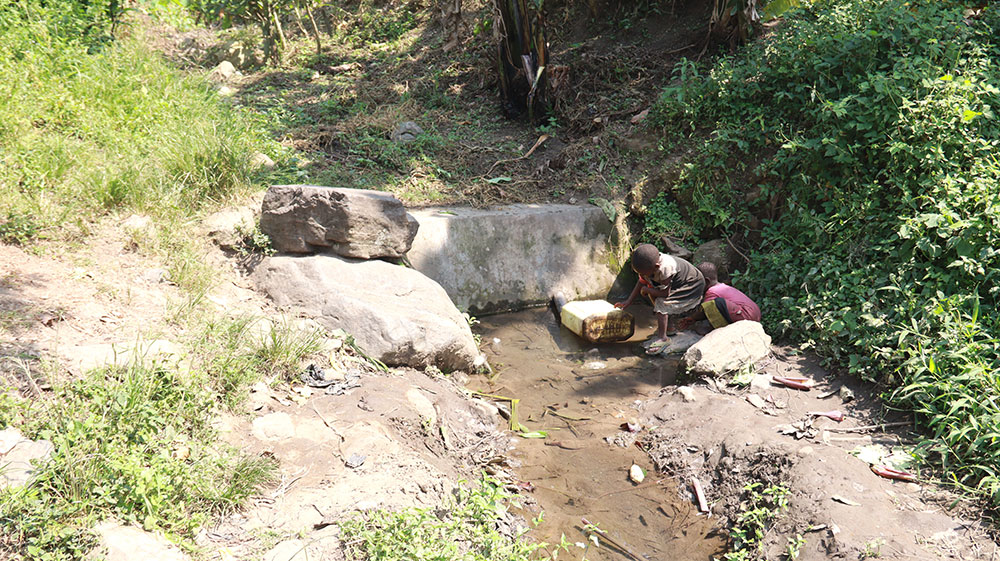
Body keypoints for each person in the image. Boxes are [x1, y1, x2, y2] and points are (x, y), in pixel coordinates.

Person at [615, 243, 705, 354]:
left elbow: (664, 294)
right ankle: (669, 327)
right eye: (639, 273)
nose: (641, 275)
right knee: (653, 293)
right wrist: (628, 301)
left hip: (692, 287)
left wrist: (646, 290)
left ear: (656, 267)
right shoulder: (649, 266)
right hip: (677, 284)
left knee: (661, 303)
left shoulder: (665, 270)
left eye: (643, 273)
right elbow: (641, 281)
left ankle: (663, 338)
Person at [681, 262, 761, 331]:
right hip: (754, 314)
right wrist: (694, 318)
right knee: (715, 304)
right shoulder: (722, 287)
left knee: (715, 304)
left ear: (706, 281)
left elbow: (706, 309)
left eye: (697, 282)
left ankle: (718, 331)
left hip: (746, 315)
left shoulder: (712, 291)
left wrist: (693, 318)